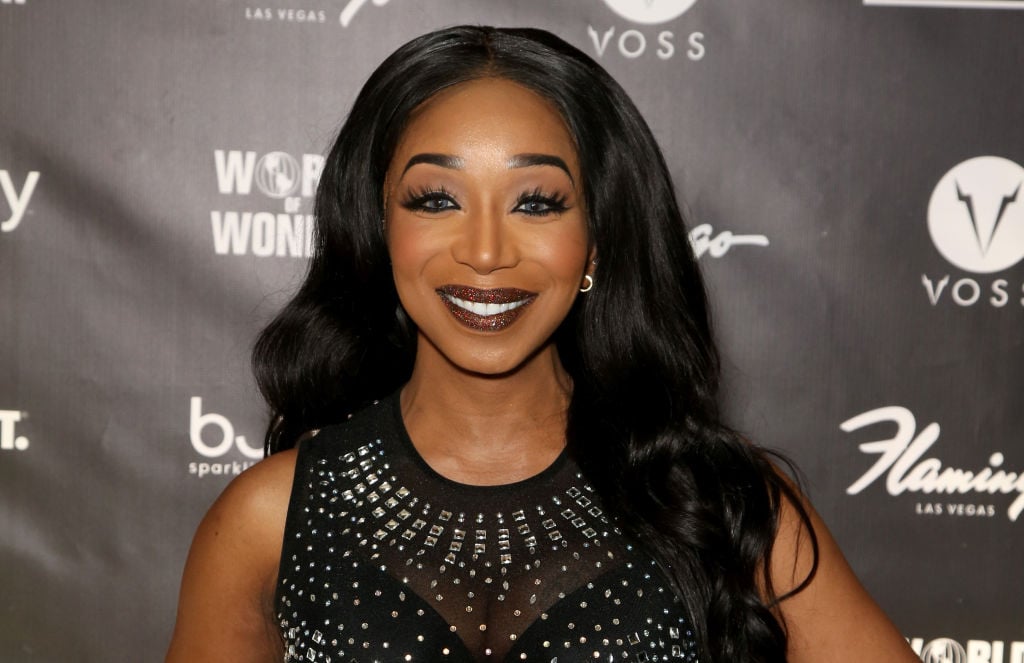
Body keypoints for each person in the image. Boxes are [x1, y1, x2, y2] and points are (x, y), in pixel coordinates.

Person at [166, 26, 920, 663]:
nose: (485, 252)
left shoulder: (716, 502)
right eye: (437, 199)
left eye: (536, 203)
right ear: (377, 225)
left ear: (597, 240)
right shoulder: (269, 520)